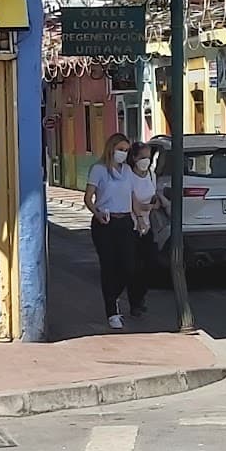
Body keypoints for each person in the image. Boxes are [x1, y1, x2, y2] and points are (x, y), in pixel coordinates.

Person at [84, 133, 137, 331]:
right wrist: (96, 213)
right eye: (121, 149)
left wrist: (140, 217)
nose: (123, 153)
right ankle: (112, 312)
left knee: (129, 266)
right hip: (105, 223)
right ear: (111, 148)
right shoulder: (99, 170)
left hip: (125, 222)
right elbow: (88, 198)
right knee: (108, 266)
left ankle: (112, 296)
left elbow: (132, 197)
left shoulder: (128, 171)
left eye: (126, 151)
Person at [128, 141, 157, 316]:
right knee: (134, 266)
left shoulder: (151, 175)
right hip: (132, 225)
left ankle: (141, 296)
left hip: (148, 225)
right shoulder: (128, 177)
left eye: (148, 157)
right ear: (134, 158)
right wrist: (141, 214)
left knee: (150, 263)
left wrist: (153, 205)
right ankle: (135, 302)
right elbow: (132, 201)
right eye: (142, 157)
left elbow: (153, 198)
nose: (145, 161)